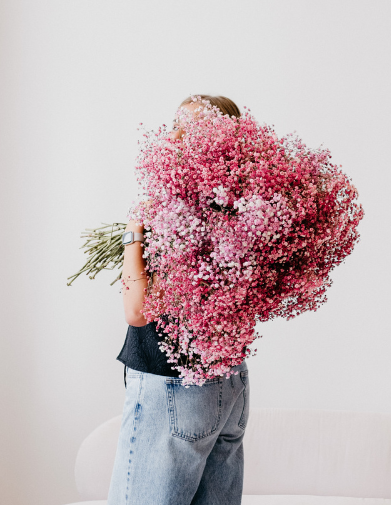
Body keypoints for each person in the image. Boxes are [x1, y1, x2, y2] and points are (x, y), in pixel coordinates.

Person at [107, 95, 250, 505]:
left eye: (189, 128)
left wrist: (134, 231)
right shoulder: (248, 208)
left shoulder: (176, 210)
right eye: (175, 125)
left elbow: (138, 311)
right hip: (230, 385)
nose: (175, 136)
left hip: (173, 385)